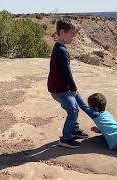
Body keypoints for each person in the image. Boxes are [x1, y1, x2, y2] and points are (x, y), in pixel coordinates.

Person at [47, 20, 88, 149]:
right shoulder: (61, 51)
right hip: (59, 89)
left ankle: (74, 130)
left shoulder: (59, 47)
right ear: (62, 32)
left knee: (74, 107)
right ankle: (66, 138)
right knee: (73, 109)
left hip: (59, 86)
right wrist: (73, 88)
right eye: (71, 34)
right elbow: (67, 72)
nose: (74, 37)